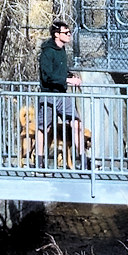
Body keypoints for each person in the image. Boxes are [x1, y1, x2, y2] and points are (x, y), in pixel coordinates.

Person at [36, 21, 84, 164]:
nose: (69, 35)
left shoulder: (62, 50)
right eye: (66, 33)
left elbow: (60, 70)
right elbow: (47, 76)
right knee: (44, 127)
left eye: (69, 32)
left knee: (76, 124)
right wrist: (67, 81)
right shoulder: (47, 52)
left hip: (62, 94)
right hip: (48, 95)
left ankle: (84, 160)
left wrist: (70, 75)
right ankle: (40, 160)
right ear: (57, 35)